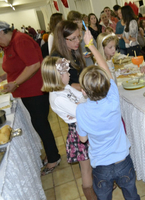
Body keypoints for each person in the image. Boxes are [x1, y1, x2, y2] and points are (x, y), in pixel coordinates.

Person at [0, 20, 60, 175]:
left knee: (41, 124)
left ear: (2, 32)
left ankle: (54, 158)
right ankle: (52, 154)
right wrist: (4, 77)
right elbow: (19, 66)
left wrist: (15, 83)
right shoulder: (10, 44)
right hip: (27, 91)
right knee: (39, 124)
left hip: (35, 91)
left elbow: (33, 65)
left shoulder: (20, 40)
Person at [76, 30, 140, 200]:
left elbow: (82, 139)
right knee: (132, 195)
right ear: (107, 85)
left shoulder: (81, 110)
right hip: (123, 160)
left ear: (83, 91)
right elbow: (104, 66)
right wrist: (91, 45)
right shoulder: (113, 98)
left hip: (101, 166)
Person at [41, 57, 96, 200]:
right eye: (65, 72)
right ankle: (91, 196)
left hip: (84, 126)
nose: (69, 74)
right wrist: (82, 100)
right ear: (57, 76)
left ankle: (97, 188)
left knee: (91, 165)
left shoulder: (65, 87)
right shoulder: (57, 98)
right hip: (78, 132)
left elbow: (82, 97)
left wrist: (82, 100)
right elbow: (81, 109)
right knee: (86, 169)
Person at [50, 20, 87, 91]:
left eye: (78, 37)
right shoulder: (57, 58)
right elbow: (65, 85)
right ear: (62, 39)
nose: (78, 41)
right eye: (73, 38)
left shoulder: (73, 50)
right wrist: (88, 87)